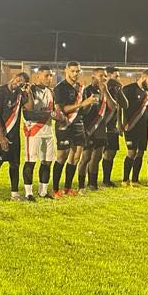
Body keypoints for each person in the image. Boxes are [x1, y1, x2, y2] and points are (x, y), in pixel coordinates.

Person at [0, 72, 29, 203]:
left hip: (14, 136)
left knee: (15, 165)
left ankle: (14, 194)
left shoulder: (20, 94)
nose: (18, 83)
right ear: (14, 76)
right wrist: (2, 137)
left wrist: (29, 92)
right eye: (18, 79)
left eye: (22, 83)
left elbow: (29, 106)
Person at [53, 61, 93, 197]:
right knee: (62, 157)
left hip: (78, 124)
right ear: (66, 71)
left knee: (75, 157)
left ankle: (68, 188)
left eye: (77, 71)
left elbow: (84, 111)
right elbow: (62, 109)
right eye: (73, 71)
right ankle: (55, 189)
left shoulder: (81, 88)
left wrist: (89, 104)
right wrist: (82, 104)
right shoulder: (60, 88)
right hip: (64, 125)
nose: (75, 74)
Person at [78, 67, 117, 191]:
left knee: (96, 158)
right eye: (101, 76)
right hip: (88, 128)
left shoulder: (105, 91)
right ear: (93, 76)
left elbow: (113, 107)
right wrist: (88, 103)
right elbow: (82, 110)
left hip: (101, 129)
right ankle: (80, 185)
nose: (104, 78)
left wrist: (105, 92)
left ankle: (92, 184)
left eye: (105, 76)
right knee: (85, 158)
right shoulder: (86, 90)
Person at [21, 66, 56, 200]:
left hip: (48, 130)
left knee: (47, 162)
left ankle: (43, 191)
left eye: (51, 75)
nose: (49, 78)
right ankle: (28, 193)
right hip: (33, 131)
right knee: (31, 162)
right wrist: (48, 114)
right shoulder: (30, 90)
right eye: (46, 75)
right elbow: (27, 114)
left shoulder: (51, 92)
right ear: (38, 76)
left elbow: (54, 111)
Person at [121, 69, 148, 186]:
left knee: (140, 152)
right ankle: (125, 179)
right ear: (143, 77)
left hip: (143, 127)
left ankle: (135, 180)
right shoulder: (128, 89)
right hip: (130, 126)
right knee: (131, 152)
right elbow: (120, 107)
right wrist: (120, 123)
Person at [101, 66, 128, 187]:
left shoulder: (116, 89)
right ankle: (90, 182)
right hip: (100, 125)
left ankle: (106, 180)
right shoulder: (100, 88)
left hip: (112, 126)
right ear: (108, 75)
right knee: (95, 155)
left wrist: (120, 90)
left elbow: (124, 105)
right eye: (116, 76)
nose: (118, 78)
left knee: (111, 153)